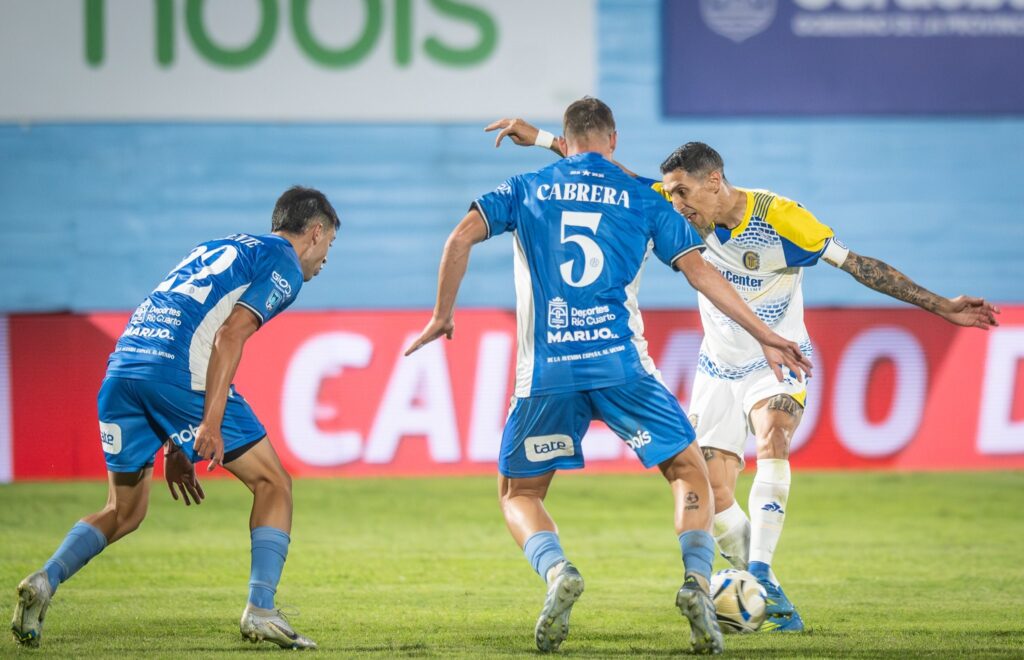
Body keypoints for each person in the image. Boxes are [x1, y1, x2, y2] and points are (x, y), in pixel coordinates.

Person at [485, 119, 1001, 631]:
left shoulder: (781, 219)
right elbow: (609, 178)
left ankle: (759, 572)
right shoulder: (676, 207)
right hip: (716, 366)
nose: (678, 204)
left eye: (684, 192)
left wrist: (941, 306)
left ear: (715, 181)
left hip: (775, 360)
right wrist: (548, 142)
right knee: (714, 491)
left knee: (773, 435)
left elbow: (861, 265)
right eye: (672, 194)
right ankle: (768, 597)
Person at [406, 97, 812, 655]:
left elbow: (459, 238)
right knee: (690, 473)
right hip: (623, 368)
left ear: (568, 139)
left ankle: (557, 573)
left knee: (518, 492)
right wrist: (765, 334)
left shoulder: (526, 188)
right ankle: (695, 583)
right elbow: (700, 274)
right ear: (614, 140)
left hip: (547, 372)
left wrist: (441, 315)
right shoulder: (645, 197)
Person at [11, 186, 340, 649]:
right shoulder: (284, 262)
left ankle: (45, 580)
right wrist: (208, 423)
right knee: (274, 483)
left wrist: (174, 442)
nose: (325, 259)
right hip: (177, 372)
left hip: (123, 369)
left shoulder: (219, 245)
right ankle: (261, 609)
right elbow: (229, 336)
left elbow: (184, 316)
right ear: (316, 232)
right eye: (329, 246)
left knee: (123, 511)